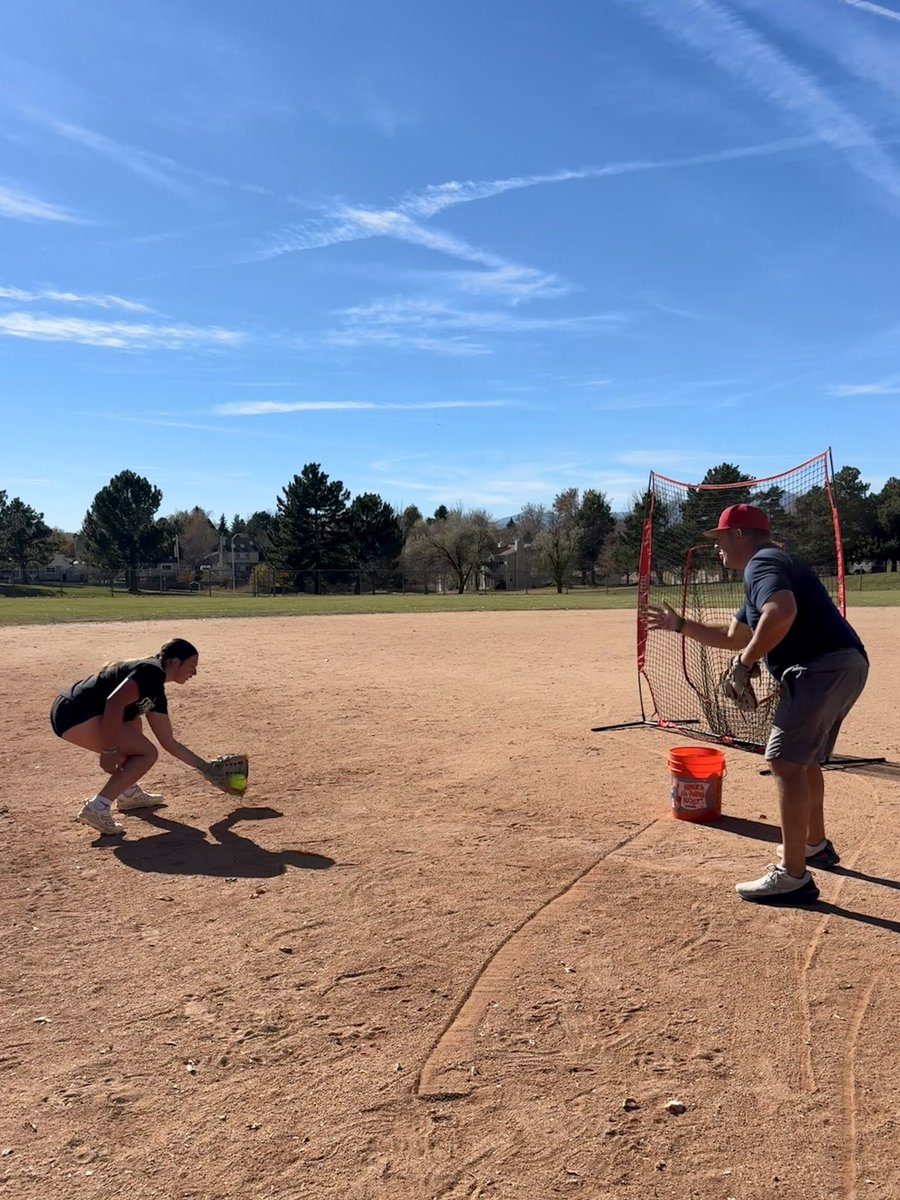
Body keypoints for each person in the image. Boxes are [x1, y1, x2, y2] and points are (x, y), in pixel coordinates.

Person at [647, 503, 868, 904]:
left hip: (820, 667)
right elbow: (735, 635)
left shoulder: (761, 564)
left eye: (720, 540)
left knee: (784, 762)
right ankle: (814, 845)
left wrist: (745, 664)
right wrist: (681, 625)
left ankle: (793, 876)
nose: (718, 549)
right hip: (847, 663)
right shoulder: (773, 564)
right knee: (802, 761)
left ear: (738, 535)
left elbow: (782, 613)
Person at [51, 637, 211, 835]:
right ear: (175, 662)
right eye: (192, 665)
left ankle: (128, 793)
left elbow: (169, 742)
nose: (194, 672)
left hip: (75, 711)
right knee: (146, 754)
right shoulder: (150, 672)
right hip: (74, 713)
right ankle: (98, 807)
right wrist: (109, 750)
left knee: (134, 723)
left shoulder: (156, 690)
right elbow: (114, 703)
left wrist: (207, 769)